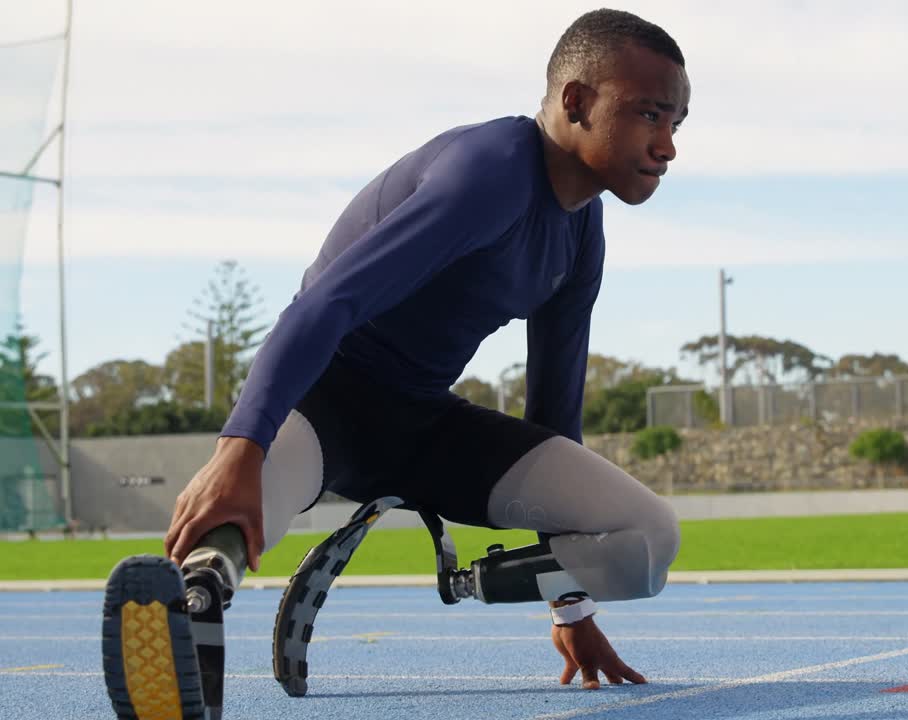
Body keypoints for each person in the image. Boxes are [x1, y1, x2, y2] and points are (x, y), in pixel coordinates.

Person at [101, 8, 692, 718]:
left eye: (676, 125)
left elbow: (554, 420)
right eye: (649, 115)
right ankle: (193, 604)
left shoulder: (581, 233)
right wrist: (241, 448)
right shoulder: (491, 172)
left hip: (424, 424)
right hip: (325, 400)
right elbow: (327, 304)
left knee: (648, 540)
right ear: (576, 102)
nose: (666, 147)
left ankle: (465, 583)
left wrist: (568, 606)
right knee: (239, 508)